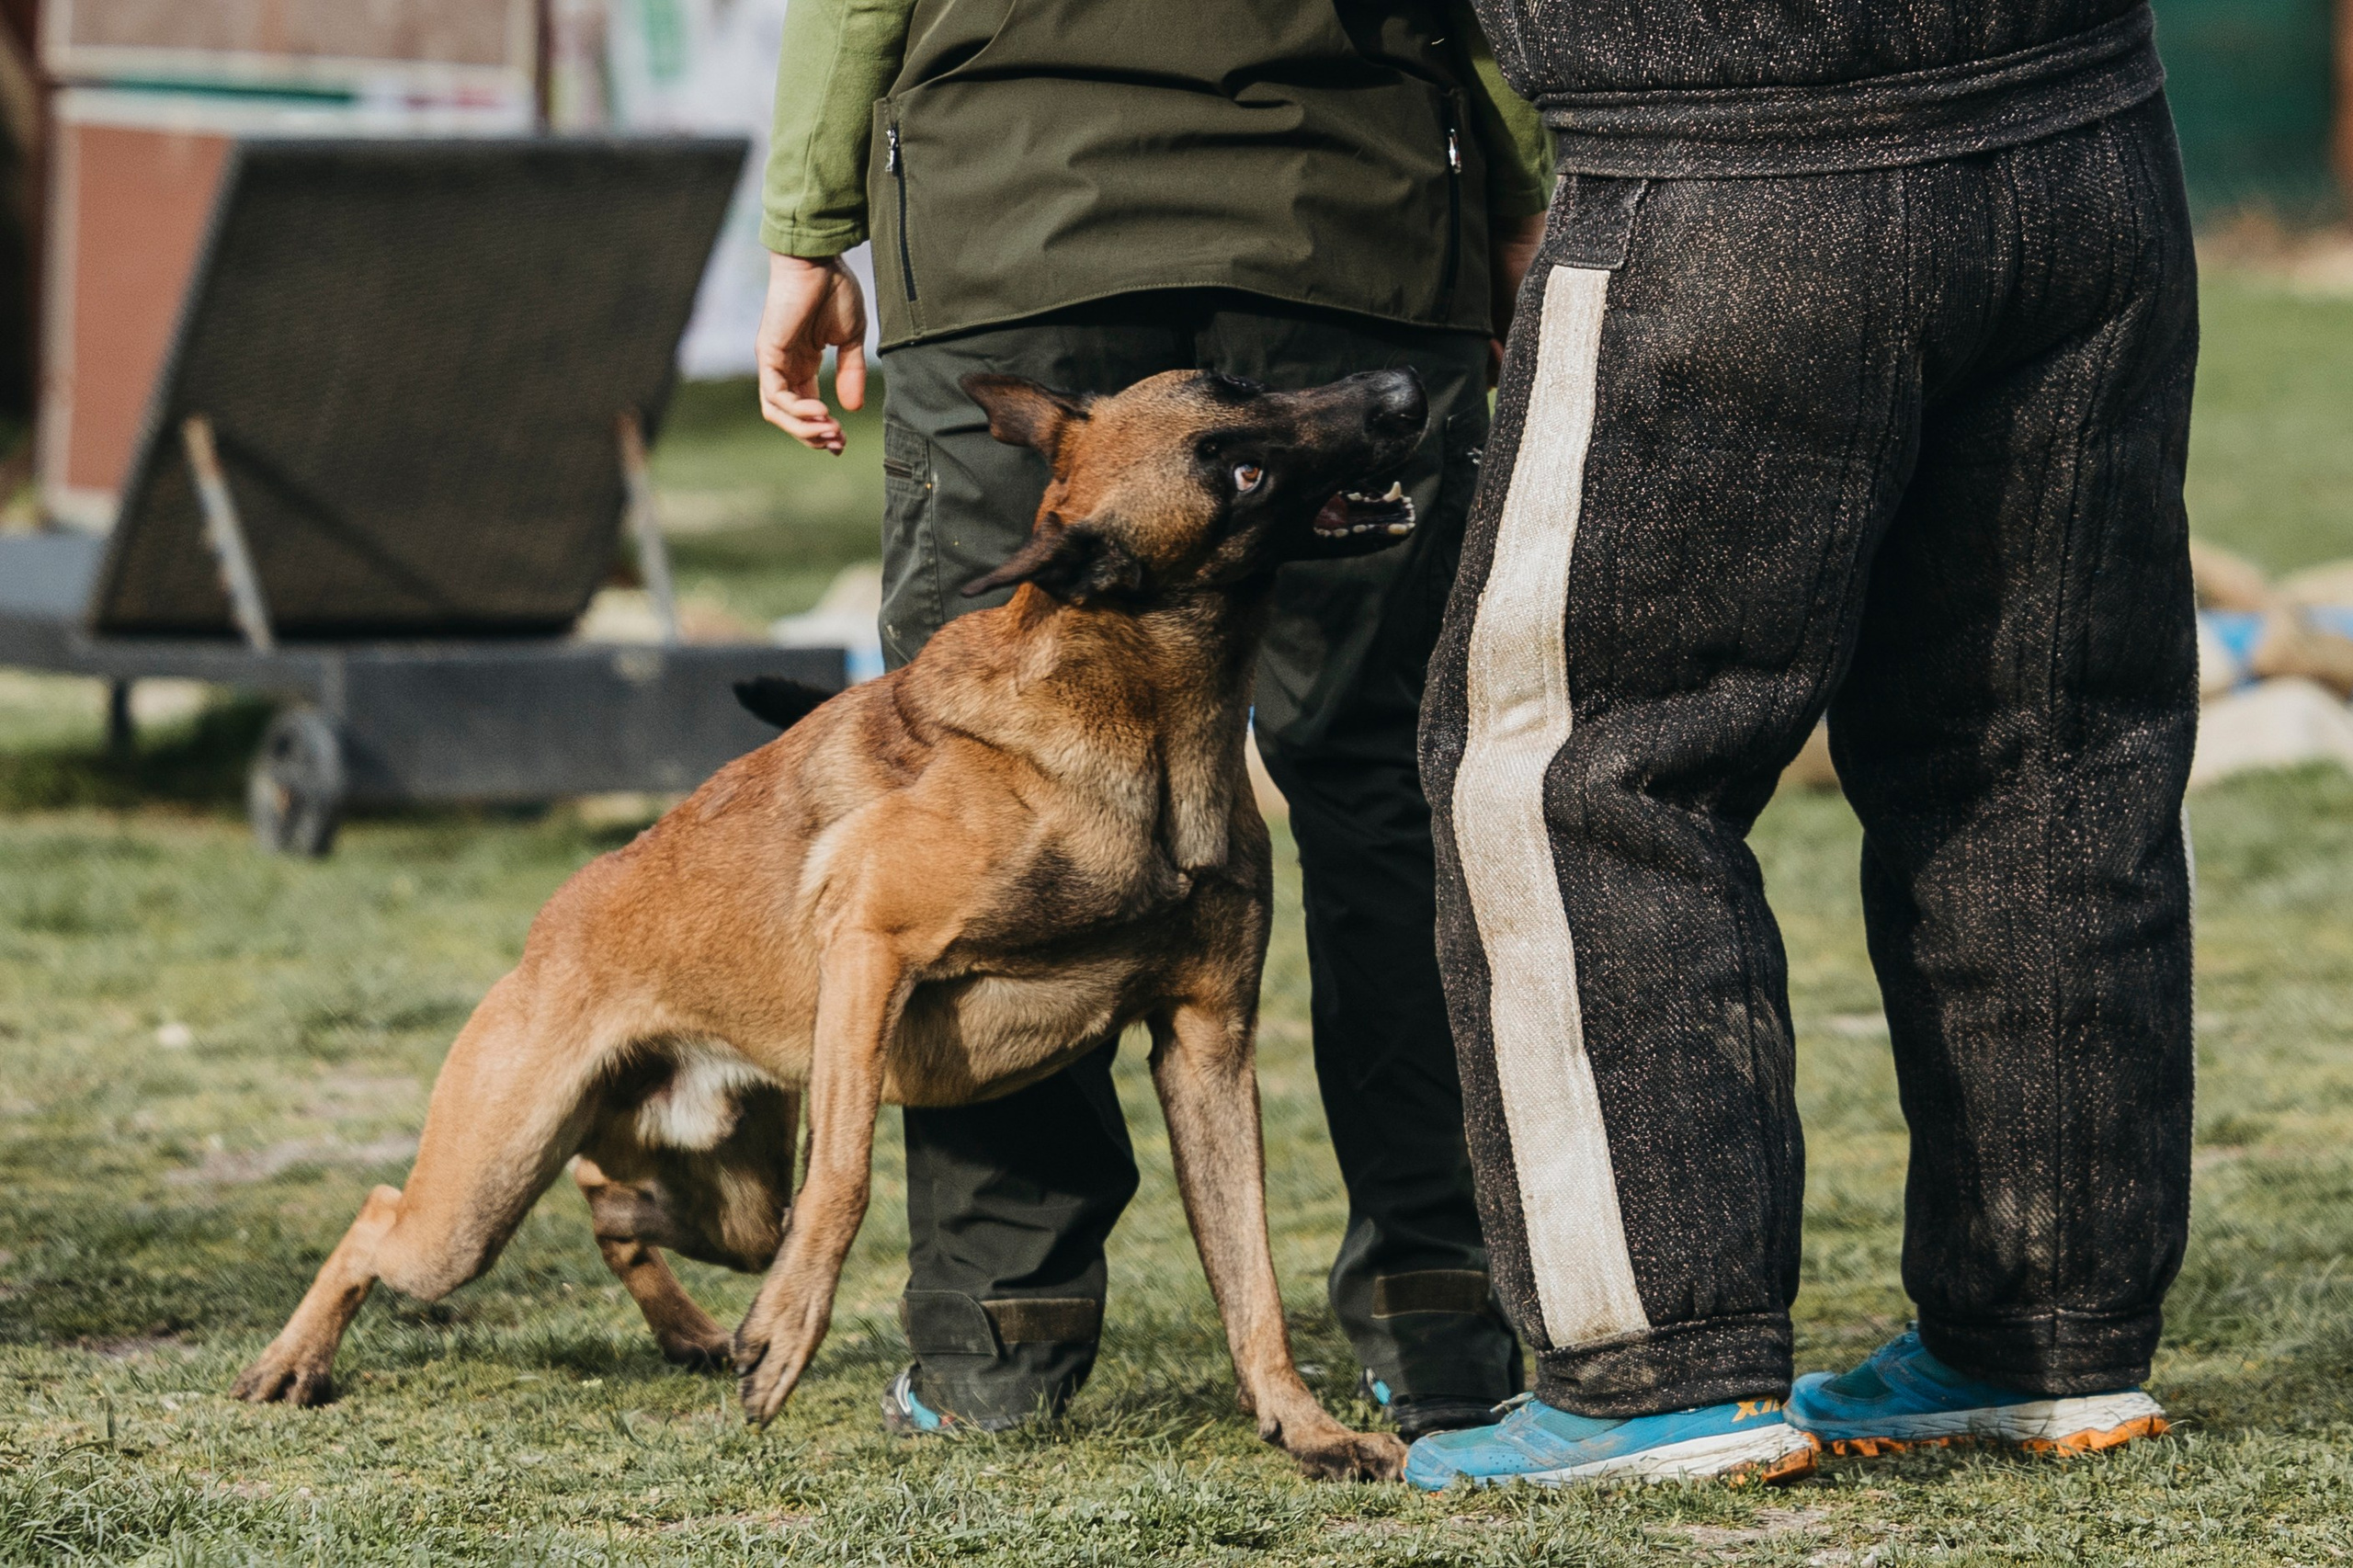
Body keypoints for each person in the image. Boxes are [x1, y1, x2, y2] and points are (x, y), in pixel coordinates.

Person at [1404, 0, 2197, 1486]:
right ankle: (2041, 1334)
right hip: (2090, 147)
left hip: (1724, 160)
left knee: (1582, 765)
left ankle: (1658, 1370)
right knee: (2049, 744)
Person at [756, 0, 1552, 1440]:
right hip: (1346, 208)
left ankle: (1001, 1339)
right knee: (1390, 785)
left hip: (1014, 211)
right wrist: (1513, 192)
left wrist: (808, 227)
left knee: (979, 790)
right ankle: (1441, 1312)